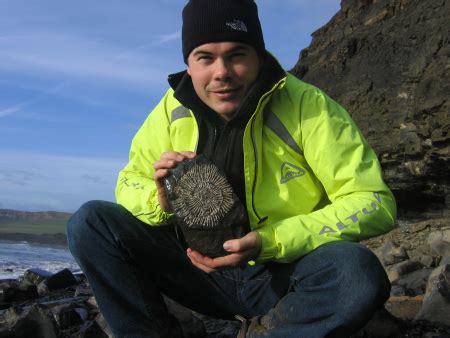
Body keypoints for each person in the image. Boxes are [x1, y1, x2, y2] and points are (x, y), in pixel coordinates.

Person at [67, 0, 397, 337]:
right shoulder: (170, 110)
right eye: (205, 57)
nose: (221, 72)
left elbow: (373, 202)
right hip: (196, 270)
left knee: (356, 273)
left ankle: (273, 329)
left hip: (280, 274)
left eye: (236, 54)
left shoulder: (308, 108)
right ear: (189, 64)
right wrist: (158, 200)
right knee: (90, 222)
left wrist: (270, 241)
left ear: (258, 55)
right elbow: (128, 181)